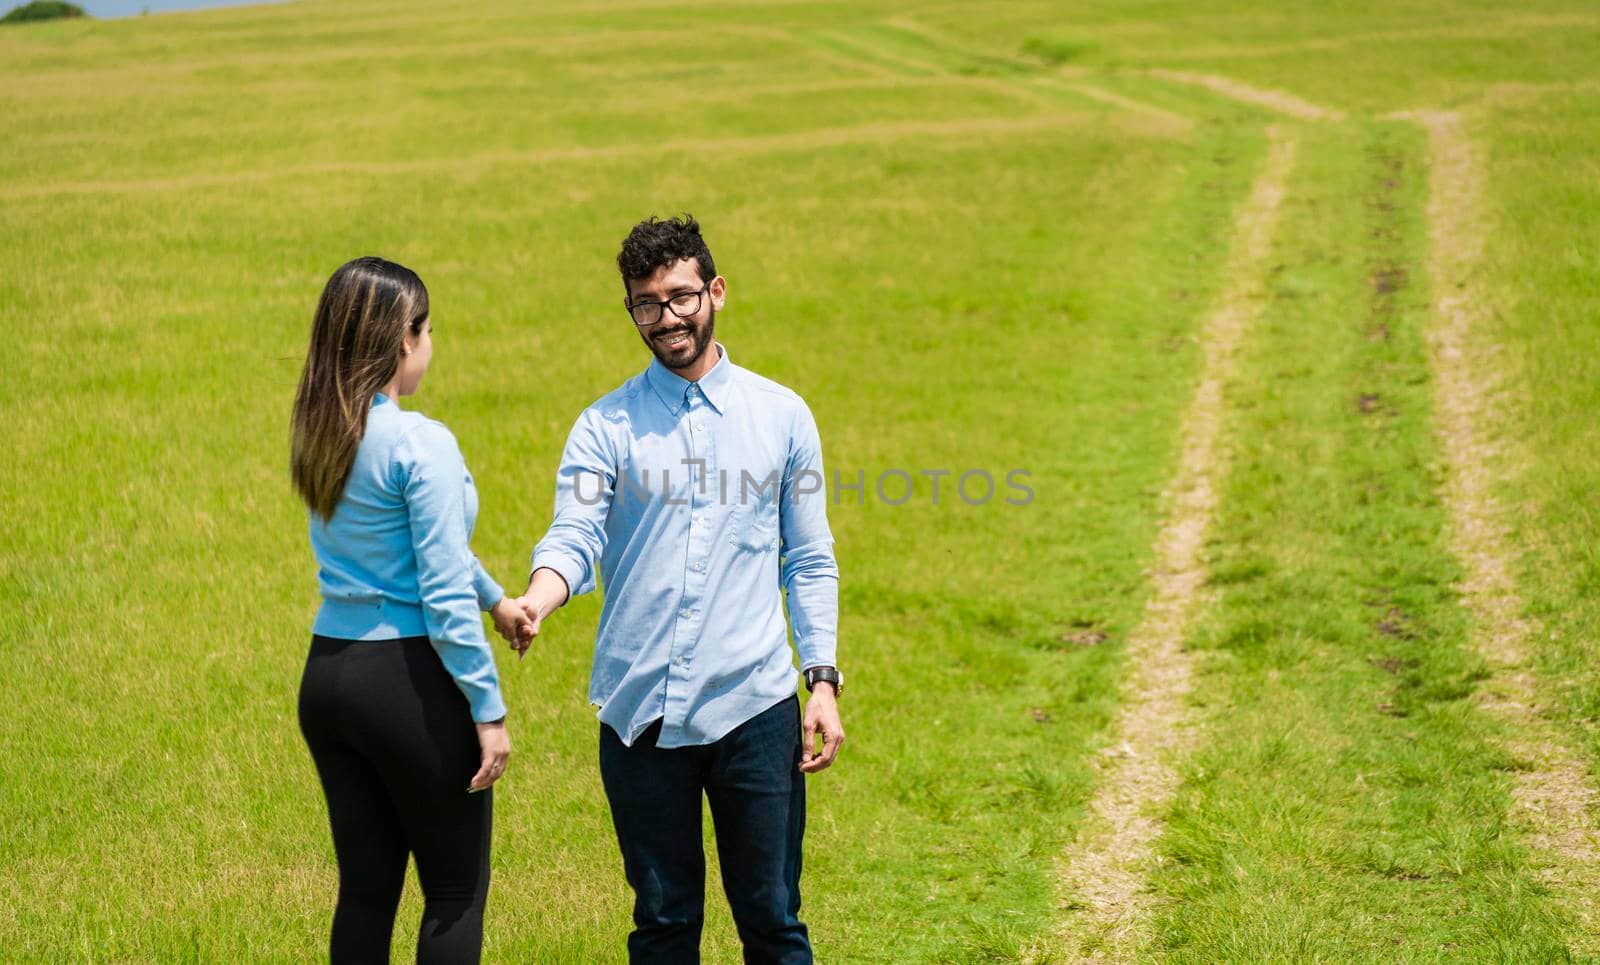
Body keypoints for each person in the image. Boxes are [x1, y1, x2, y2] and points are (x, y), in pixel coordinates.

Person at [511, 216, 844, 963]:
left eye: (681, 296)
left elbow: (810, 558)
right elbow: (575, 534)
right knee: (662, 924)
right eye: (646, 304)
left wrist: (821, 680)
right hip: (641, 713)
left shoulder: (781, 415)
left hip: (753, 706)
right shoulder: (605, 425)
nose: (667, 319)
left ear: (715, 291)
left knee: (772, 917)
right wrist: (540, 596)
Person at [290, 256, 531, 963]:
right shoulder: (421, 441)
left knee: (365, 892)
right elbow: (439, 591)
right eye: (427, 331)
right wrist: (487, 709)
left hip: (330, 677)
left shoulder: (323, 429)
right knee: (454, 893)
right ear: (405, 339)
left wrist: (497, 601)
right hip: (406, 683)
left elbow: (429, 551)